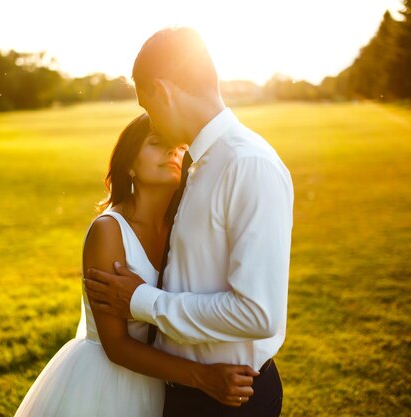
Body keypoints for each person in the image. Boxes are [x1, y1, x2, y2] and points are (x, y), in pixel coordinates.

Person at [85, 27, 294, 417]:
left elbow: (259, 314)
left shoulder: (247, 164)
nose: (155, 124)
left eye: (149, 108)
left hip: (228, 399)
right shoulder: (199, 167)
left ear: (163, 92)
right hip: (184, 394)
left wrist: (140, 301)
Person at [14, 113, 259, 417]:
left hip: (161, 382)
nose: (172, 152)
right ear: (129, 164)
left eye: (180, 148)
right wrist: (204, 377)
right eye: (157, 143)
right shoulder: (108, 231)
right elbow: (116, 345)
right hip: (107, 385)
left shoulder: (182, 227)